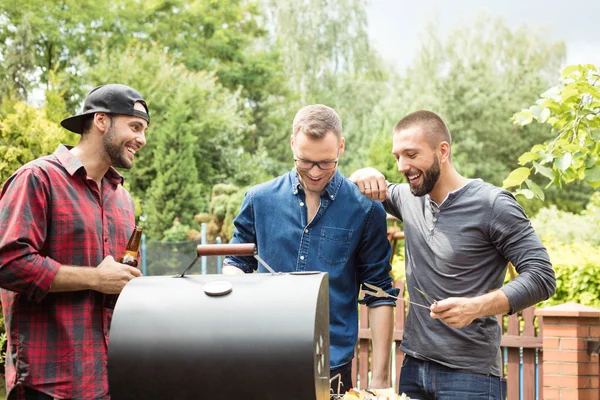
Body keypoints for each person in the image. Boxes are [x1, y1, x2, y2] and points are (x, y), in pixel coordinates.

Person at [350, 110, 555, 400]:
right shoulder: (408, 198)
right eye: (397, 156)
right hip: (412, 370)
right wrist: (364, 173)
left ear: (442, 151)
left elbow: (542, 276)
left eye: (411, 154)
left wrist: (476, 307)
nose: (402, 166)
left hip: (471, 378)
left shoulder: (493, 204)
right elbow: (364, 185)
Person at [223, 104, 398, 395]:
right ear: (292, 142)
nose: (315, 173)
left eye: (326, 163)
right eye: (305, 161)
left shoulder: (365, 209)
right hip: (264, 358)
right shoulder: (258, 200)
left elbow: (379, 292)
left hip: (333, 365)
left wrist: (380, 382)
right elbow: (235, 263)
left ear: (340, 147)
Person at [0, 84, 150, 400]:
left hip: (108, 380)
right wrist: (94, 278)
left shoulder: (122, 198)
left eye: (144, 130)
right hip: (47, 382)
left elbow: (118, 282)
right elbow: (7, 262)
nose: (142, 139)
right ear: (101, 121)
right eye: (135, 127)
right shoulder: (37, 179)